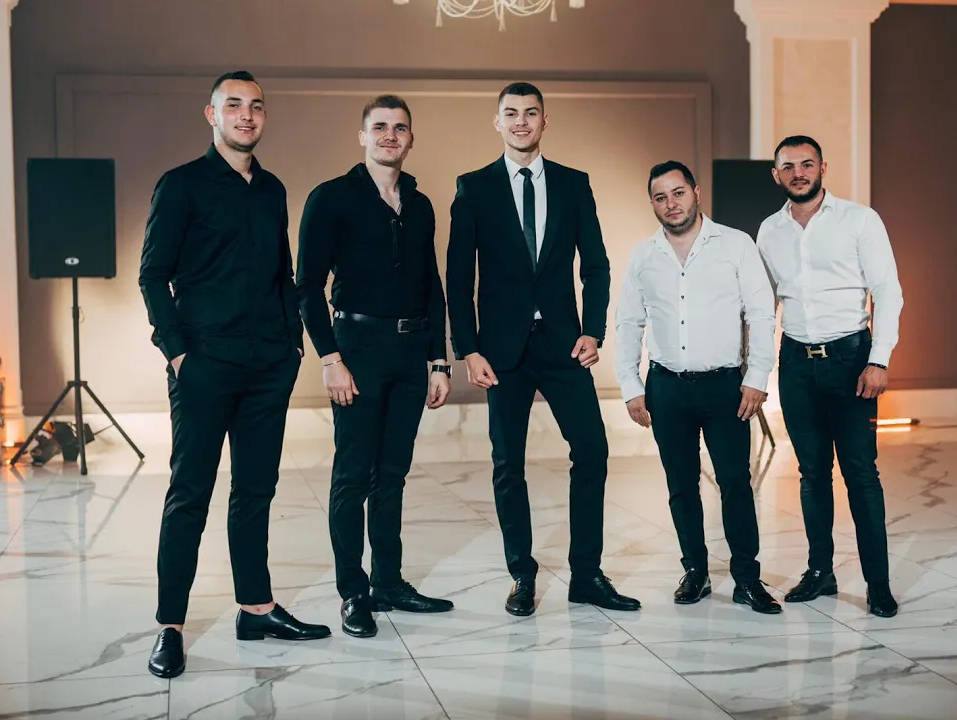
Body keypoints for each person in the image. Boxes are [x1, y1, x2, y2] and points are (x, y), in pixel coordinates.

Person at [138, 70, 331, 679]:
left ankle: (256, 608)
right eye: (234, 105)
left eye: (256, 106)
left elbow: (283, 274)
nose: (246, 115)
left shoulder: (272, 190)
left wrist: (292, 344)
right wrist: (177, 354)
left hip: (268, 365)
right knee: (189, 494)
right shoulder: (181, 185)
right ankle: (170, 626)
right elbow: (152, 275)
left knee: (255, 491)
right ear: (212, 115)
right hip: (204, 364)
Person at [445, 81, 639, 616]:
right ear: (497, 122)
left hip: (563, 345)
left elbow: (596, 265)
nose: (521, 122)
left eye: (531, 113)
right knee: (508, 463)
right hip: (500, 351)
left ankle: (587, 574)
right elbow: (458, 278)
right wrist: (468, 349)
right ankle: (521, 574)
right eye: (511, 113)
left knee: (592, 450)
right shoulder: (474, 187)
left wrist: (593, 330)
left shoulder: (574, 184)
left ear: (544, 121)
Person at [296, 95, 455, 638]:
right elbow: (306, 287)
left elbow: (431, 285)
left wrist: (439, 359)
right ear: (362, 136)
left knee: (392, 475)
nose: (390, 135)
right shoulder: (331, 198)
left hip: (411, 355)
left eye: (400, 128)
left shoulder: (421, 204)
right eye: (380, 126)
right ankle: (353, 593)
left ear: (411, 139)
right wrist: (330, 358)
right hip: (356, 351)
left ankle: (388, 582)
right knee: (352, 476)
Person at [614, 160, 782, 614]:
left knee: (735, 482)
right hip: (666, 389)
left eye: (678, 193)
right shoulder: (644, 256)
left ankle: (747, 579)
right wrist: (630, 384)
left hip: (725, 388)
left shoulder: (735, 244)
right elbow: (628, 321)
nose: (671, 203)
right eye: (660, 197)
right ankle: (695, 571)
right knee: (681, 484)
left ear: (696, 192)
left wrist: (757, 376)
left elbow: (761, 313)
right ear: (652, 204)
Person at [755, 135, 904, 618]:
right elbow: (762, 306)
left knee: (861, 474)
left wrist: (879, 360)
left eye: (807, 164)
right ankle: (821, 571)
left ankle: (878, 584)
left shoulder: (860, 220)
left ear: (823, 168)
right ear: (776, 175)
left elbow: (888, 292)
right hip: (796, 362)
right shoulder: (769, 230)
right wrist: (756, 368)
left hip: (851, 360)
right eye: (788, 166)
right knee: (812, 473)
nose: (798, 173)